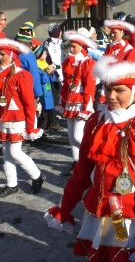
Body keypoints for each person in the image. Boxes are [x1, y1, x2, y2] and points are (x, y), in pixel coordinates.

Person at [44, 55, 135, 261]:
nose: (111, 96)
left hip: (132, 216)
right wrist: (65, 207)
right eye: (108, 89)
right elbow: (82, 170)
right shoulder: (97, 121)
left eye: (120, 90)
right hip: (98, 211)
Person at [0, 38, 45, 198]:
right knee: (6, 152)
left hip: (18, 120)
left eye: (2, 54)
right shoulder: (1, 74)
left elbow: (28, 103)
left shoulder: (22, 75)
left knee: (15, 152)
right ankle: (11, 184)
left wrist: (31, 125)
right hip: (5, 118)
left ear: (11, 56)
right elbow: (0, 100)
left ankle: (37, 175)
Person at [58, 31, 97, 176]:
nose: (71, 49)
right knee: (70, 134)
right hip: (69, 100)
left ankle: (91, 158)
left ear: (82, 47)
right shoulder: (68, 62)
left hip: (81, 102)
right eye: (70, 46)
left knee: (77, 135)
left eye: (74, 47)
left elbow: (90, 86)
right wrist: (62, 101)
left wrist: (87, 105)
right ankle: (76, 162)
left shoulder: (87, 62)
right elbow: (65, 84)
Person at [35, 46, 61, 132]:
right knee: (44, 111)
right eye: (44, 53)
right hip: (43, 91)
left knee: (50, 107)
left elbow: (51, 79)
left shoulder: (45, 63)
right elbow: (40, 79)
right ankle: (42, 127)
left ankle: (51, 123)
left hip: (49, 89)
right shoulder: (36, 65)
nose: (46, 55)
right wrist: (47, 73)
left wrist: (52, 73)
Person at [44, 23, 64, 112]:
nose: (61, 33)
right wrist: (52, 65)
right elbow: (47, 55)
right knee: (55, 91)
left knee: (61, 91)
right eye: (60, 31)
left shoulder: (60, 42)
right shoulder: (48, 42)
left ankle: (60, 107)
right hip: (54, 70)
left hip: (61, 69)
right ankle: (55, 110)